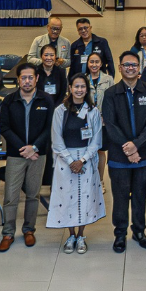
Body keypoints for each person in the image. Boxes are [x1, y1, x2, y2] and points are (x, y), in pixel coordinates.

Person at [103, 51, 146, 253]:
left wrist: (136, 145)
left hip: (144, 156)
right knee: (120, 197)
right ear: (120, 68)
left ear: (139, 68)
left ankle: (139, 231)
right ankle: (120, 234)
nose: (130, 68)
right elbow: (110, 124)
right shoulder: (111, 93)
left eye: (134, 65)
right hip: (119, 157)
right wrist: (128, 149)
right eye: (126, 64)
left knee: (139, 196)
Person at [0, 62, 53, 252]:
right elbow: (4, 127)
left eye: (31, 77)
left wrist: (35, 147)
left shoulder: (46, 100)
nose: (27, 81)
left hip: (38, 155)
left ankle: (29, 229)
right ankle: (8, 232)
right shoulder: (9, 101)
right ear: (18, 80)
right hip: (16, 154)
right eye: (23, 78)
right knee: (11, 195)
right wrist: (23, 148)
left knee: (33, 194)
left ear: (37, 78)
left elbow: (49, 127)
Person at [48, 74, 107, 254]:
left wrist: (82, 160)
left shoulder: (93, 111)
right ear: (70, 88)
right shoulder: (60, 111)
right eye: (76, 86)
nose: (79, 90)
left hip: (86, 160)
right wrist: (70, 160)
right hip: (66, 160)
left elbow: (96, 141)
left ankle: (81, 235)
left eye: (83, 87)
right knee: (67, 198)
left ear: (86, 89)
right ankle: (71, 235)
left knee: (85, 198)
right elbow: (56, 140)